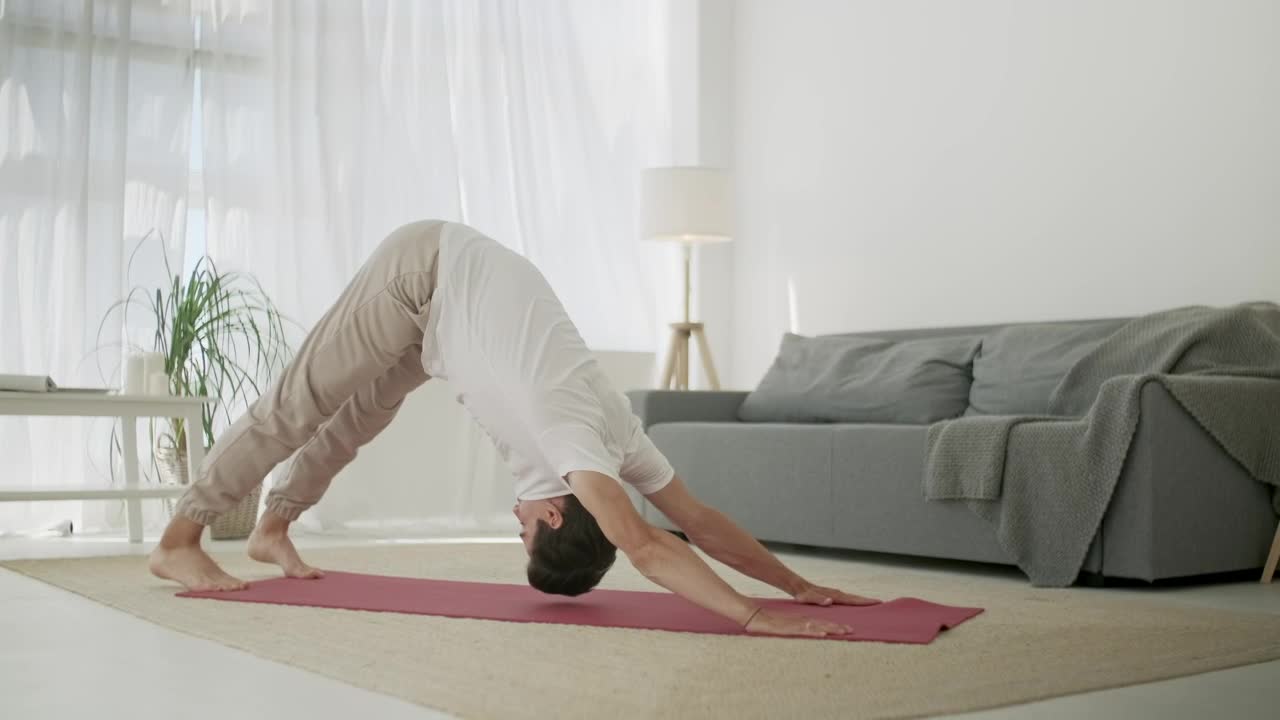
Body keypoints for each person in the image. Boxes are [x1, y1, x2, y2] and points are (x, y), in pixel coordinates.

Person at [149, 220, 879, 637]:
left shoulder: (619, 436)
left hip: (439, 322)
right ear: (560, 510)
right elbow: (648, 544)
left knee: (358, 420)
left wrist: (799, 584)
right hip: (423, 273)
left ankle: (271, 529)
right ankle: (179, 539)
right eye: (525, 531)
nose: (514, 520)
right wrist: (758, 616)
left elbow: (700, 520)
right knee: (298, 404)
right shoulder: (575, 439)